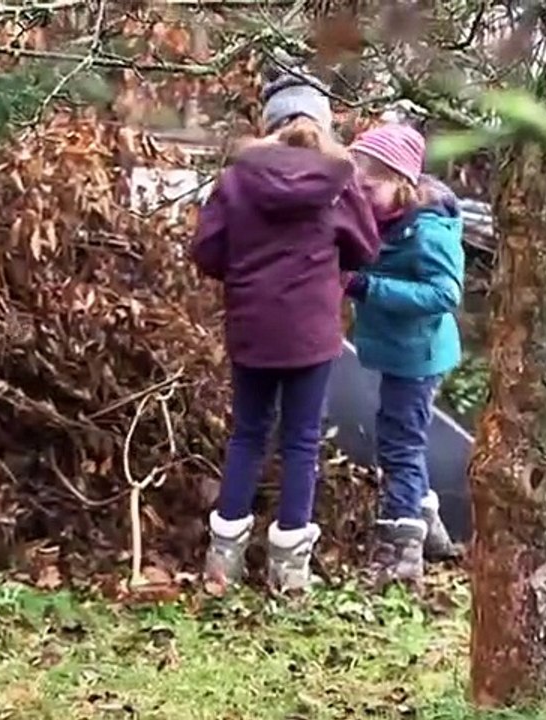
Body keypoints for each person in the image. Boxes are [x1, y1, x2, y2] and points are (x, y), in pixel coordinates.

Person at [191, 70, 380, 593]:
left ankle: (222, 564)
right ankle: (288, 570)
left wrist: (245, 271)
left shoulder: (235, 180)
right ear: (323, 120)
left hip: (252, 326)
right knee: (301, 441)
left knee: (248, 434)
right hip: (311, 332)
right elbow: (365, 249)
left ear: (268, 121)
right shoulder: (340, 180)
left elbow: (206, 251)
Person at [344, 123, 466, 587]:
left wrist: (365, 285)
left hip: (418, 355)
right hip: (394, 351)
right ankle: (429, 527)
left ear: (402, 183)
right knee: (399, 438)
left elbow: (443, 293)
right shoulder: (383, 218)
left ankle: (401, 551)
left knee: (400, 445)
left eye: (368, 188)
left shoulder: (428, 231)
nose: (361, 196)